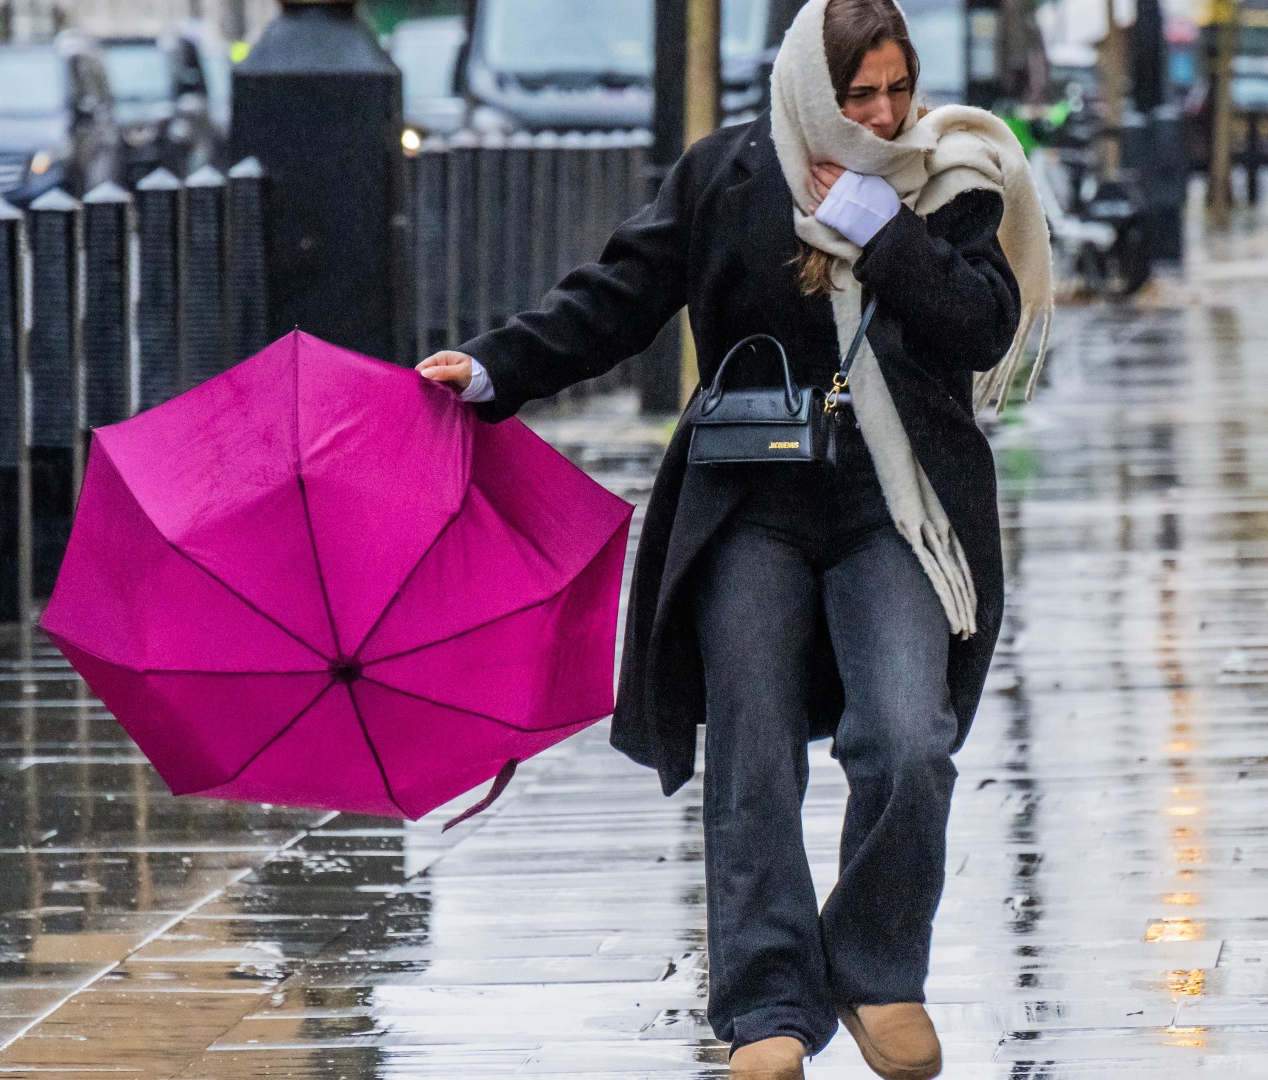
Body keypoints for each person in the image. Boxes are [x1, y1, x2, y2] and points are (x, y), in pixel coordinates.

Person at [412, 0, 1051, 1076]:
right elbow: (615, 299)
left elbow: (980, 325)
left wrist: (884, 233)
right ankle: (767, 1012)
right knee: (751, 760)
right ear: (813, 87)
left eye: (898, 87)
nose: (886, 112)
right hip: (748, 507)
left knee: (909, 741)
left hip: (890, 512)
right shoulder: (728, 176)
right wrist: (490, 371)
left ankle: (876, 971)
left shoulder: (946, 180)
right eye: (860, 95)